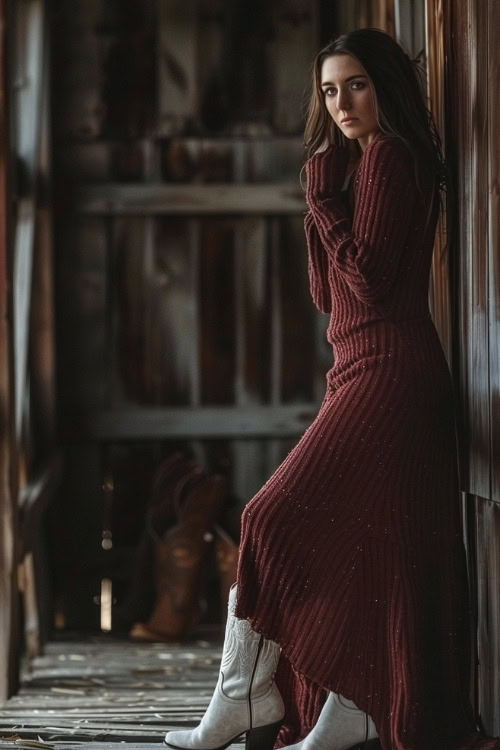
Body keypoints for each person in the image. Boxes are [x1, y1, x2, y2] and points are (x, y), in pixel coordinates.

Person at [164, 27, 500, 750]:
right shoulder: (363, 165)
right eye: (328, 90)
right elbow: (327, 292)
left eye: (355, 84)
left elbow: (371, 284)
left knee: (268, 518)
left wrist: (323, 202)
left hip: (389, 373)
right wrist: (321, 199)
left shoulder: (388, 159)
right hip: (362, 368)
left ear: (383, 87)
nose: (341, 102)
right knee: (376, 546)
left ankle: (245, 695)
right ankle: (356, 708)